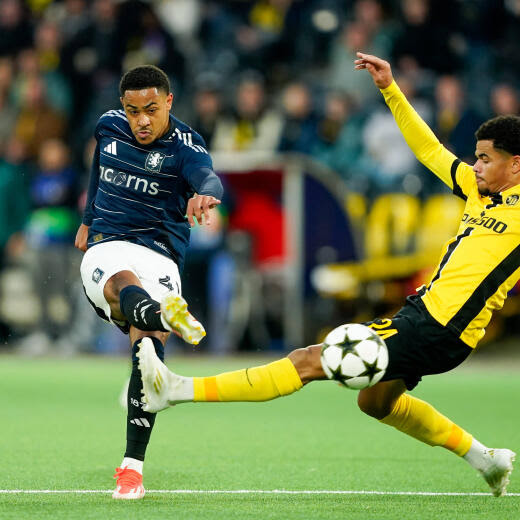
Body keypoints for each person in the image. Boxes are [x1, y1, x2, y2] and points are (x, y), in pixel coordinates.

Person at [137, 53, 519, 497]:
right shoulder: (477, 190)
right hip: (425, 316)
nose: (475, 166)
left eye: (486, 159)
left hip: (442, 328)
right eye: (476, 157)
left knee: (310, 359)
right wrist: (390, 90)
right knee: (374, 402)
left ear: (516, 165)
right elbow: (430, 149)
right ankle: (486, 459)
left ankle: (177, 390)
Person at [75, 64, 223, 500]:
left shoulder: (187, 147)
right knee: (123, 282)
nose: (141, 120)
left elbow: (207, 176)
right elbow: (97, 169)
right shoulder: (108, 127)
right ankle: (165, 313)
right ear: (123, 106)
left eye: (151, 110)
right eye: (133, 110)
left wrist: (205, 193)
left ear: (169, 102)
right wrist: (86, 220)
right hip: (108, 246)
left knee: (148, 352)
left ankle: (132, 469)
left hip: (160, 254)